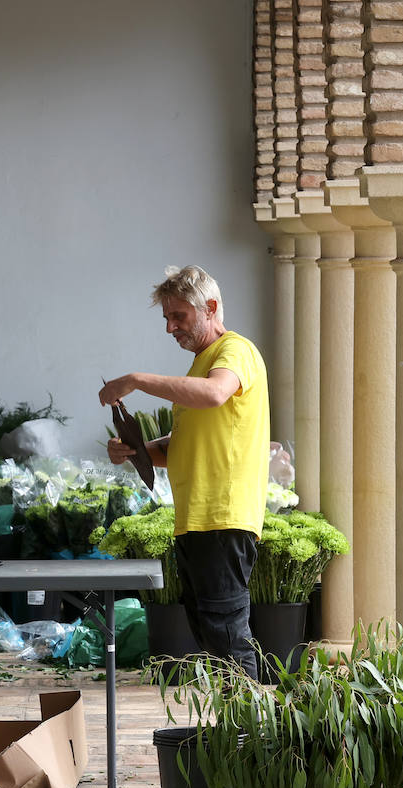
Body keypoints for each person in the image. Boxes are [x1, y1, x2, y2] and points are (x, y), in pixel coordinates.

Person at [99, 265, 269, 678]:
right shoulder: (201, 365)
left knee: (228, 639)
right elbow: (183, 445)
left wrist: (136, 380)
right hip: (197, 520)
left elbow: (214, 394)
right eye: (167, 319)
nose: (171, 328)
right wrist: (136, 451)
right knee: (214, 639)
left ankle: (254, 735)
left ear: (210, 308)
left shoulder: (235, 352)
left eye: (179, 317)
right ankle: (236, 732)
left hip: (223, 519)